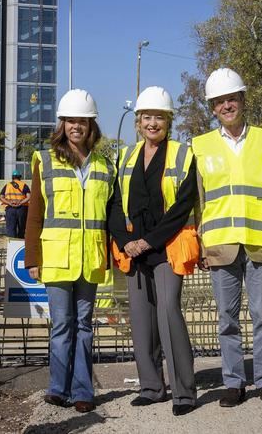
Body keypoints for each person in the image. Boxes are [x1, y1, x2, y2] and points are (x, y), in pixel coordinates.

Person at [190, 68, 262, 409]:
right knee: (226, 318)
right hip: (220, 245)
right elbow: (198, 202)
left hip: (260, 241)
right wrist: (200, 243)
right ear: (212, 108)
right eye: (219, 102)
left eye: (232, 99)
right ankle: (234, 382)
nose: (226, 106)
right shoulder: (200, 146)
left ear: (243, 100)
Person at [108, 86, 199, 417]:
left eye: (159, 117)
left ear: (168, 121)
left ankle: (184, 392)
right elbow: (115, 203)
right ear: (138, 121)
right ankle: (151, 387)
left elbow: (183, 205)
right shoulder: (125, 156)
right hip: (134, 250)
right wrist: (125, 241)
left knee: (168, 313)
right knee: (141, 320)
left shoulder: (182, 154)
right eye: (147, 117)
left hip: (167, 245)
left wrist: (148, 241)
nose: (152, 123)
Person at [24, 89, 115, 414]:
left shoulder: (105, 165)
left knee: (85, 326)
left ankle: (83, 392)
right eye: (71, 121)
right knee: (62, 325)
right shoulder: (45, 160)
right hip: (57, 259)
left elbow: (111, 214)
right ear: (62, 125)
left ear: (91, 126)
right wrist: (32, 257)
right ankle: (57, 389)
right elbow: (35, 214)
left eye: (83, 121)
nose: (77, 126)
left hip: (90, 258)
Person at [0, 170, 30, 238]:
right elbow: (29, 197)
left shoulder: (7, 185)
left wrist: (9, 203)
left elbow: (1, 197)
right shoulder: (24, 185)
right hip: (22, 209)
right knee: (22, 228)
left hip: (10, 209)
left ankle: (12, 243)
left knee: (11, 229)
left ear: (12, 177)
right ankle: (20, 242)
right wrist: (21, 202)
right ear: (20, 177)